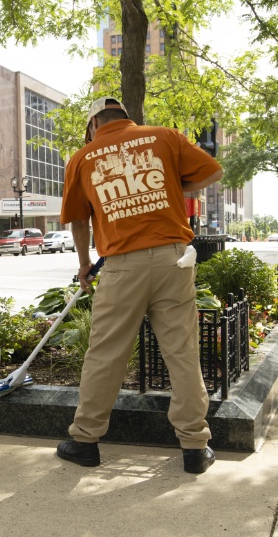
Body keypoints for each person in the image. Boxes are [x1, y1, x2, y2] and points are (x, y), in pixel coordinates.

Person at [57, 97, 223, 474]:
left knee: (106, 353)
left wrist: (84, 265)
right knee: (181, 351)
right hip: (174, 259)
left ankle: (85, 441)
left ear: (95, 122)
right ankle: (195, 447)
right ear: (125, 117)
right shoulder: (164, 137)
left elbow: (79, 220)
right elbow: (213, 172)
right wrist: (173, 189)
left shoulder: (84, 157)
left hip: (122, 267)